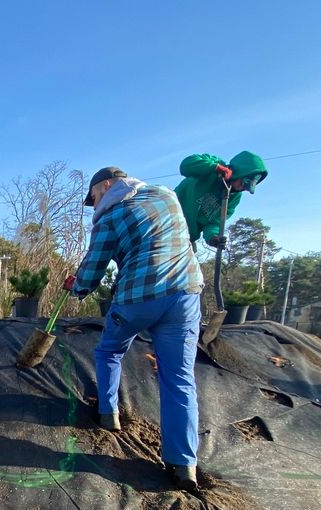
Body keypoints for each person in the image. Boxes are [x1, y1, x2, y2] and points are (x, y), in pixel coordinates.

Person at [64, 166, 205, 490]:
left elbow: (91, 271)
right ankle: (183, 465)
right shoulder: (166, 195)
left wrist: (77, 288)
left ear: (108, 185)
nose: (95, 203)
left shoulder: (108, 218)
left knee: (110, 350)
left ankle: (108, 414)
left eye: (94, 196)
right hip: (184, 296)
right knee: (180, 378)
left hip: (137, 298)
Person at [173, 151, 268, 248]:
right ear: (239, 172)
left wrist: (213, 237)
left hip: (185, 237)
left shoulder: (234, 198)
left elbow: (215, 222)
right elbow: (185, 166)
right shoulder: (214, 164)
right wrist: (214, 167)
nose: (242, 188)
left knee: (190, 262)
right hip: (168, 219)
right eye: (243, 182)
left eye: (246, 187)